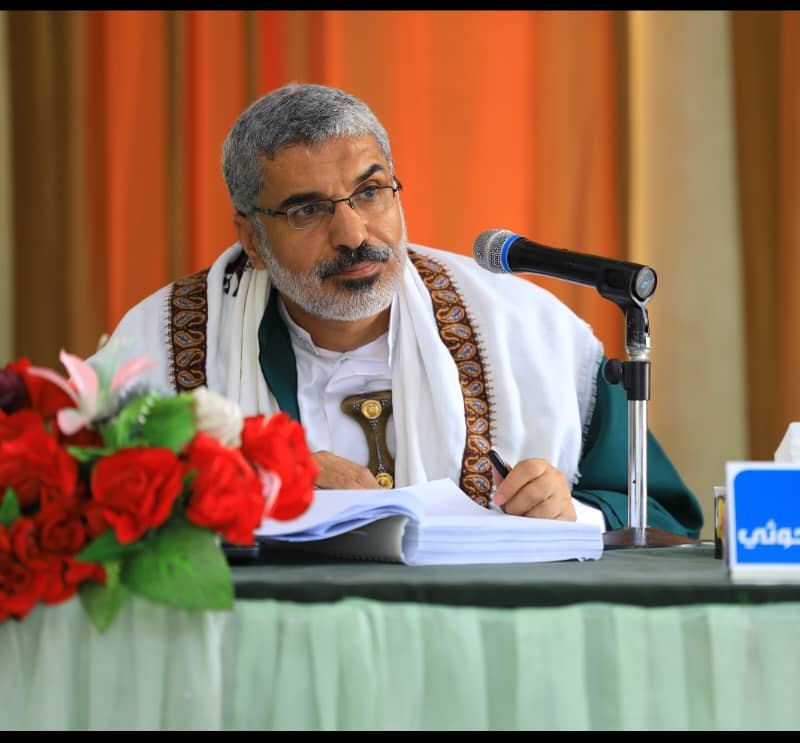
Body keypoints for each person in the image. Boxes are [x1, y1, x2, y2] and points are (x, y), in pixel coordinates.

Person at [91, 82, 702, 537]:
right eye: (308, 210)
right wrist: (255, 488)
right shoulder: (162, 345)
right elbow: (83, 518)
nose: (354, 234)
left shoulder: (526, 332)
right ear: (251, 238)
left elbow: (663, 518)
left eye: (370, 192)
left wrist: (573, 513)